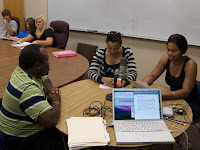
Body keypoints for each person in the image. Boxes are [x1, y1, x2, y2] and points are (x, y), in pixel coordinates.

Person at [0, 44, 67, 150]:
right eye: (47, 60)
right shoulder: (28, 89)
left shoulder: (23, 71)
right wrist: (55, 101)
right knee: (64, 141)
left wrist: (50, 90)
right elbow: (50, 120)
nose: (49, 64)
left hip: (12, 129)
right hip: (19, 139)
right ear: (37, 65)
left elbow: (45, 79)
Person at [142, 34, 200, 122]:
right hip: (173, 98)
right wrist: (142, 85)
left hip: (188, 101)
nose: (169, 53)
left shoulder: (190, 64)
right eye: (168, 50)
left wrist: (163, 96)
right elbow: (152, 76)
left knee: (168, 119)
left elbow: (185, 92)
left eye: (174, 51)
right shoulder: (166, 58)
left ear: (182, 51)